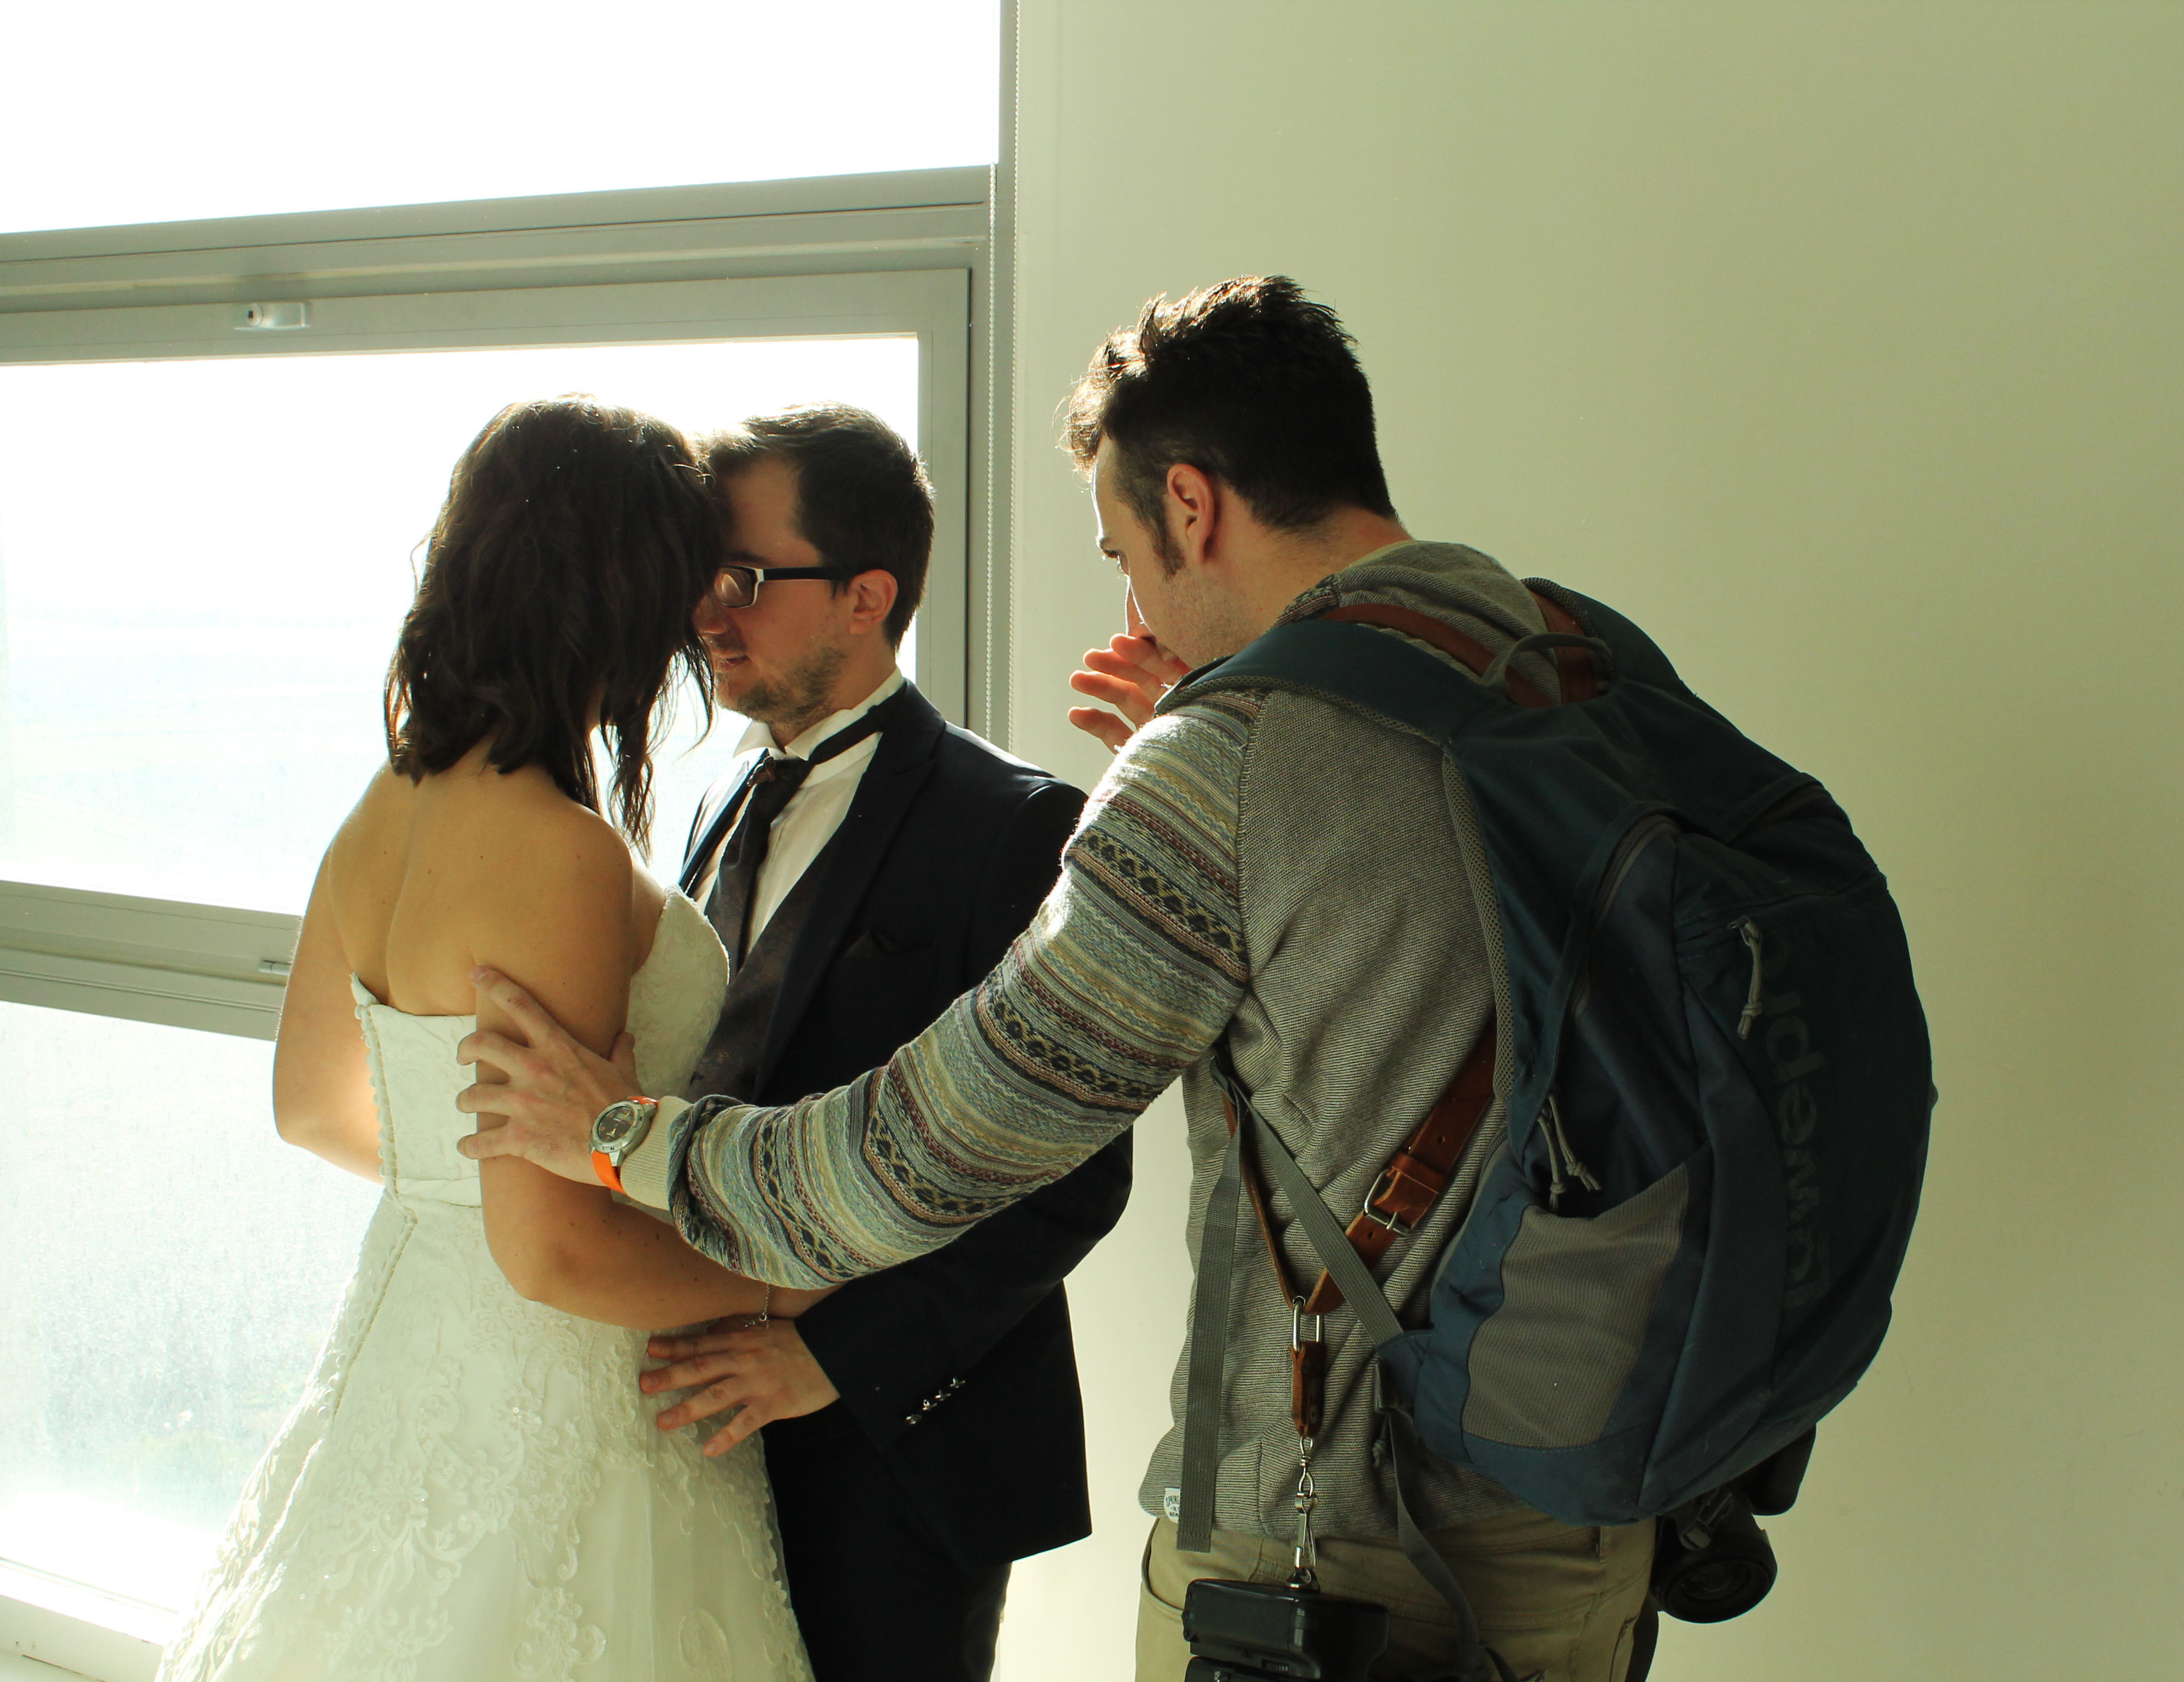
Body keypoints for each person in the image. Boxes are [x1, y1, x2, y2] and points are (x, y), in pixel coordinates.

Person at [457, 278, 1657, 1680]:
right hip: (1595, 1482)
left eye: (1120, 549)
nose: (1129, 596)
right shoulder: (1573, 661)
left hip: (1337, 1534)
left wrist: (614, 1138)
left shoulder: (1227, 762)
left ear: (1193, 507)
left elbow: (926, 1155)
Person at [155, 396, 817, 1682]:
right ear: (622, 593)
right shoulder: (556, 852)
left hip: (408, 1344)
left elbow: (312, 1104)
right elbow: (556, 1246)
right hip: (553, 1385)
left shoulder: (388, 802)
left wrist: (459, 1194)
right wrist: (788, 1284)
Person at [628, 405, 1127, 1681]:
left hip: (905, 1448)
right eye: (706, 579)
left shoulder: (1011, 822)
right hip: (707, 1417)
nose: (706, 614)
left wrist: (828, 1361)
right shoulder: (714, 796)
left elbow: (1075, 1176)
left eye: (743, 578)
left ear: (866, 597)